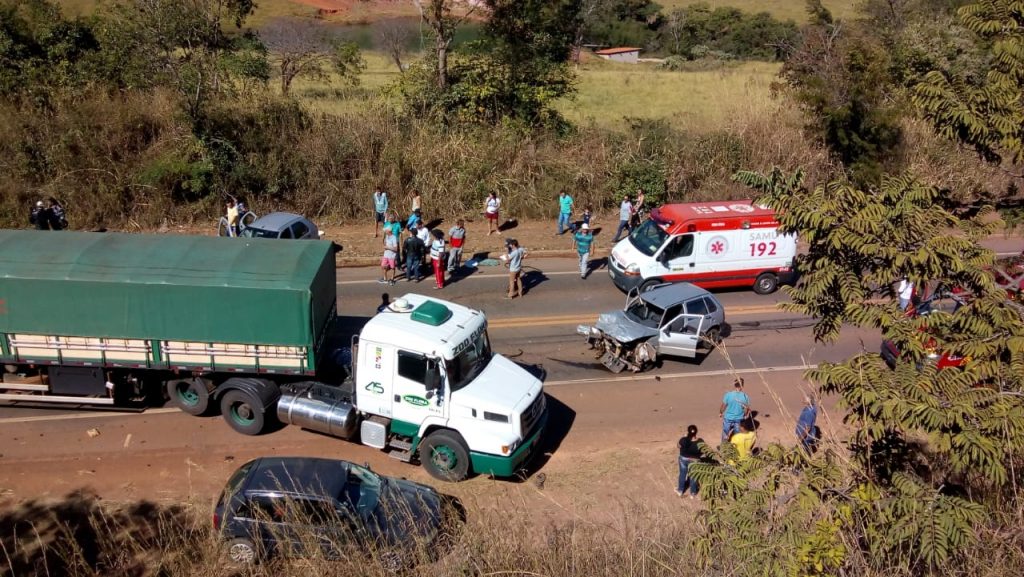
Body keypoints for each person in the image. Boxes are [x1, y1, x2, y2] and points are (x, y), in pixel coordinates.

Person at [677, 424, 702, 498]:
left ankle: (680, 490)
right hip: (695, 460)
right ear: (696, 432)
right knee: (693, 476)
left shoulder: (684, 440)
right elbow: (703, 451)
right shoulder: (700, 441)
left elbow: (678, 446)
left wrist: (684, 437)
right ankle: (693, 493)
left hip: (683, 458)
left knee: (682, 474)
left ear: (688, 432)